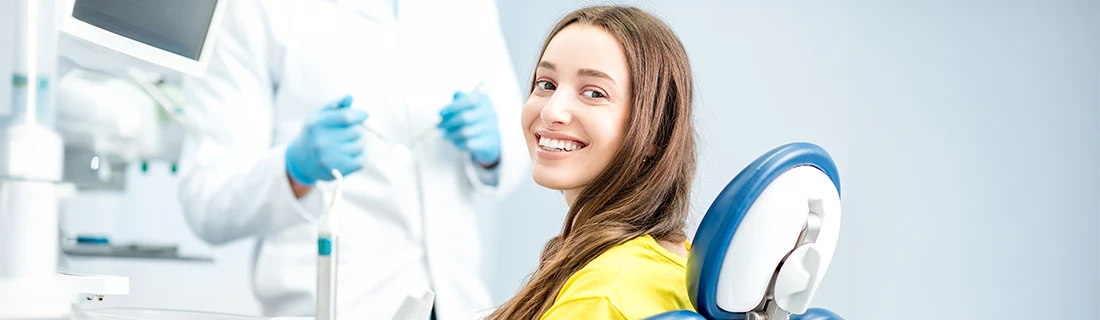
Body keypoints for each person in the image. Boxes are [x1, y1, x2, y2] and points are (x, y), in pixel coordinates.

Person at [174, 1, 527, 319]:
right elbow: (208, 200)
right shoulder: (254, 10)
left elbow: (518, 151)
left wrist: (494, 151)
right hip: (337, 304)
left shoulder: (471, 8)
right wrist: (294, 170)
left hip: (458, 299)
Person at [488, 5, 697, 320]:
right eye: (546, 84)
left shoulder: (602, 295)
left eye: (594, 93)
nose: (551, 112)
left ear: (655, 131)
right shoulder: (675, 256)